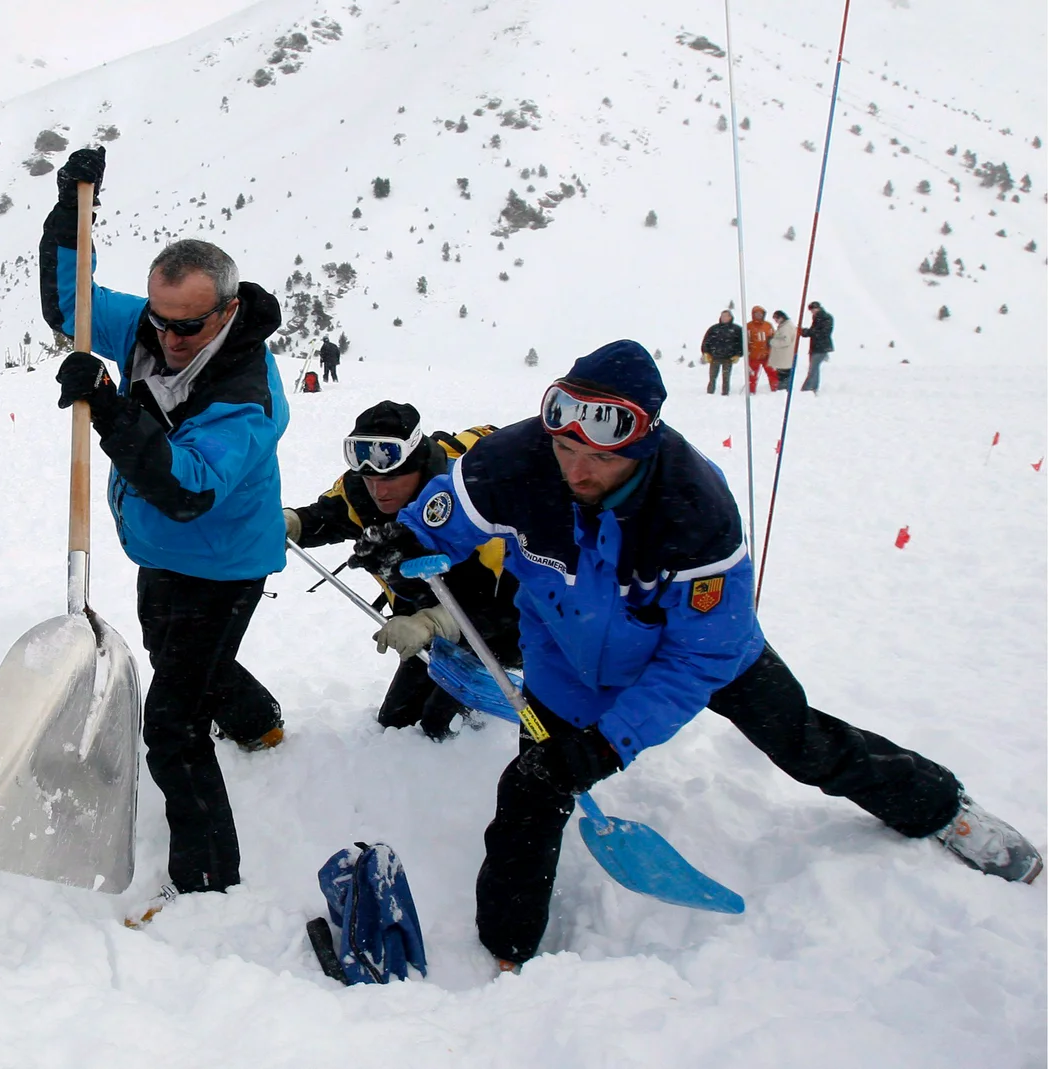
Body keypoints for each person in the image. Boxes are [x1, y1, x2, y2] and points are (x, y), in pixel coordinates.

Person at [376, 340, 1040, 969]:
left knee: (806, 743)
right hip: (568, 657)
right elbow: (444, 513)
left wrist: (608, 746)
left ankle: (941, 808)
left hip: (697, 650)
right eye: (563, 446)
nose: (575, 469)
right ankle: (507, 950)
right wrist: (406, 547)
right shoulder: (514, 461)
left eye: (598, 458)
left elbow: (698, 659)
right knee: (531, 788)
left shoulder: (693, 507)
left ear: (643, 443)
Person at [40, 146, 290, 916]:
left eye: (189, 326)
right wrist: (69, 209)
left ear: (228, 310)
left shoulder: (248, 395)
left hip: (221, 562)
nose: (171, 339)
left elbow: (184, 488)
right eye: (160, 321)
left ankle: (208, 876)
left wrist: (111, 407)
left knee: (174, 725)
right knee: (179, 658)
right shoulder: (152, 327)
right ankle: (257, 720)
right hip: (159, 550)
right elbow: (69, 303)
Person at [284, 401, 518, 738]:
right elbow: (324, 518)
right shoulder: (360, 493)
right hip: (420, 619)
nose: (379, 490)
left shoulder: (468, 500)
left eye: (392, 478)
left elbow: (508, 600)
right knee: (399, 722)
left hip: (499, 626)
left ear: (419, 465)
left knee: (440, 724)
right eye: (369, 478)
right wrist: (292, 523)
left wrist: (435, 622)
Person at [698, 309, 742, 396]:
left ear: (730, 317)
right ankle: (710, 393)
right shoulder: (714, 329)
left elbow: (741, 343)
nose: (724, 318)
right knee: (712, 376)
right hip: (715, 357)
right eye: (722, 316)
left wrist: (738, 354)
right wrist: (706, 352)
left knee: (726, 377)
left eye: (726, 316)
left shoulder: (737, 329)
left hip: (729, 358)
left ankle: (725, 393)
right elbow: (706, 341)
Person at [803, 300, 834, 392]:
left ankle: (809, 388)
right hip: (816, 347)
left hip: (820, 347)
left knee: (813, 368)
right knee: (814, 368)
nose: (812, 312)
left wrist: (808, 332)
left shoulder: (825, 318)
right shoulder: (818, 317)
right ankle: (812, 387)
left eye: (813, 310)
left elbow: (822, 333)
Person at [744, 305, 776, 392]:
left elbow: (774, 337)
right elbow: (745, 340)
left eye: (760, 313)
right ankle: (751, 390)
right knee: (752, 375)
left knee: (772, 373)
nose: (758, 315)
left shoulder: (768, 325)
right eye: (756, 313)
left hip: (767, 355)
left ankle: (775, 389)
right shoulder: (748, 326)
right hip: (753, 355)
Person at [770, 309, 798, 391]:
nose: (776, 321)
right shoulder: (786, 326)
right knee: (784, 374)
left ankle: (783, 390)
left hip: (785, 356)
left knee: (783, 375)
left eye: (776, 319)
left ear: (782, 318)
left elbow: (786, 341)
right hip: (785, 356)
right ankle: (784, 388)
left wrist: (772, 341)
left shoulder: (786, 327)